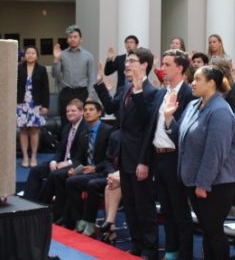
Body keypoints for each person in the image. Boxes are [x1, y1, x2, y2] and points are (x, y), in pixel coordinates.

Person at [164, 65, 235, 260]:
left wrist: (203, 183)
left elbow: (215, 153)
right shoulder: (194, 105)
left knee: (213, 231)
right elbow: (182, 138)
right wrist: (169, 119)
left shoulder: (220, 111)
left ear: (211, 83)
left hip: (216, 183)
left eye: (197, 79)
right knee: (208, 230)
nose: (192, 82)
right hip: (196, 179)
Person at [94, 47, 159, 260]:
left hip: (140, 158)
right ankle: (137, 244)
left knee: (144, 206)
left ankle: (150, 248)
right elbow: (112, 108)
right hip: (124, 156)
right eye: (127, 60)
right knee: (130, 206)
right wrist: (101, 85)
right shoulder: (125, 88)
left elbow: (146, 124)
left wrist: (144, 162)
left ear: (144, 65)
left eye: (132, 60)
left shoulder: (151, 92)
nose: (127, 64)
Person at [145, 49, 194, 260]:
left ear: (180, 68)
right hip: (159, 157)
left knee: (179, 210)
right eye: (162, 64)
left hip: (176, 157)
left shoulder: (189, 94)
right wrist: (145, 161)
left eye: (166, 65)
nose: (162, 68)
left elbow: (185, 130)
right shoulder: (161, 93)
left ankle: (185, 254)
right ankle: (172, 250)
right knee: (166, 209)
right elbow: (150, 129)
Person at [23, 99, 87, 217]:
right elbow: (60, 150)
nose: (70, 113)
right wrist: (54, 161)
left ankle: (40, 206)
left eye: (73, 111)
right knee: (36, 170)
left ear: (81, 112)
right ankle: (27, 204)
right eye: (68, 111)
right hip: (62, 162)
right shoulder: (67, 128)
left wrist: (67, 163)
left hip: (77, 164)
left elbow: (82, 156)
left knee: (54, 175)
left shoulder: (86, 128)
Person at [61, 100, 113, 234]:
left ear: (99, 113)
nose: (88, 112)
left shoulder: (107, 131)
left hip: (103, 171)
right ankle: (79, 220)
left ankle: (90, 222)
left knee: (92, 184)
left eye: (91, 110)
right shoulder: (84, 131)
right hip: (87, 171)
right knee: (70, 181)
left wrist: (95, 168)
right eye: (85, 110)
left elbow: (110, 159)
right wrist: (76, 168)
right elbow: (77, 156)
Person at [52, 25, 96, 128]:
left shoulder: (88, 56)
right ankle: (66, 144)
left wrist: (90, 95)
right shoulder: (61, 55)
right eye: (70, 37)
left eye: (75, 37)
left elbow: (91, 77)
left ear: (81, 39)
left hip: (82, 93)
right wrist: (56, 60)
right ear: (67, 40)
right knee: (66, 124)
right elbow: (55, 75)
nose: (73, 39)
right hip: (67, 92)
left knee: (84, 124)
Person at [16, 46, 50, 168]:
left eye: (33, 53)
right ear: (24, 55)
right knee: (24, 130)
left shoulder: (42, 69)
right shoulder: (18, 68)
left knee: (34, 130)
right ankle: (25, 156)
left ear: (37, 56)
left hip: (36, 104)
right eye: (28, 53)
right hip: (21, 103)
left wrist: (46, 105)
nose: (30, 55)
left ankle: (34, 156)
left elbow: (46, 89)